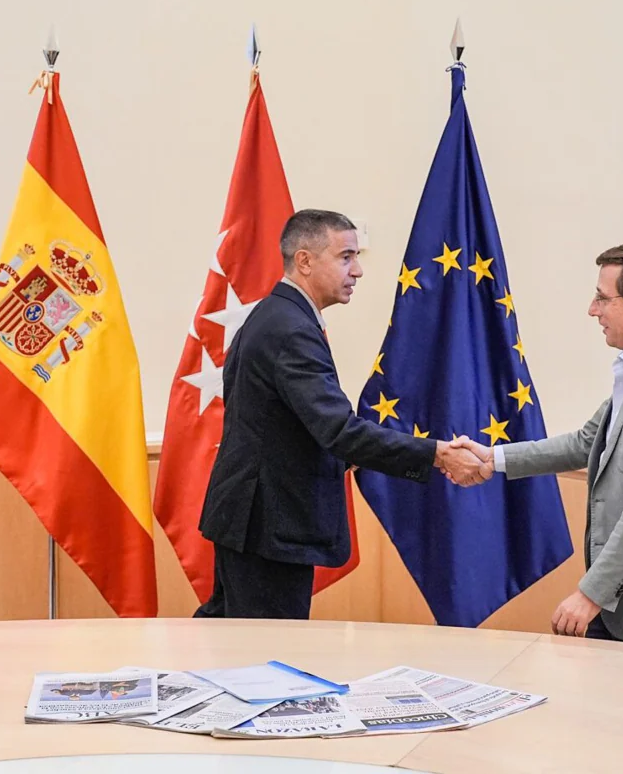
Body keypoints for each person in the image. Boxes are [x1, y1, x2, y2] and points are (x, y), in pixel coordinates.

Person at [194, 209, 481, 620]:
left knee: (234, 643)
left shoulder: (275, 316)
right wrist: (437, 453)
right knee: (265, 661)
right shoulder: (291, 329)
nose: (358, 270)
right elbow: (338, 431)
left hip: (254, 521)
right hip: (268, 527)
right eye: (346, 257)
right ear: (306, 261)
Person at [451, 240, 623, 650]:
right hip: (622, 601)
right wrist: (492, 459)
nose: (592, 310)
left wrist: (591, 594)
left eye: (603, 299)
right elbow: (588, 442)